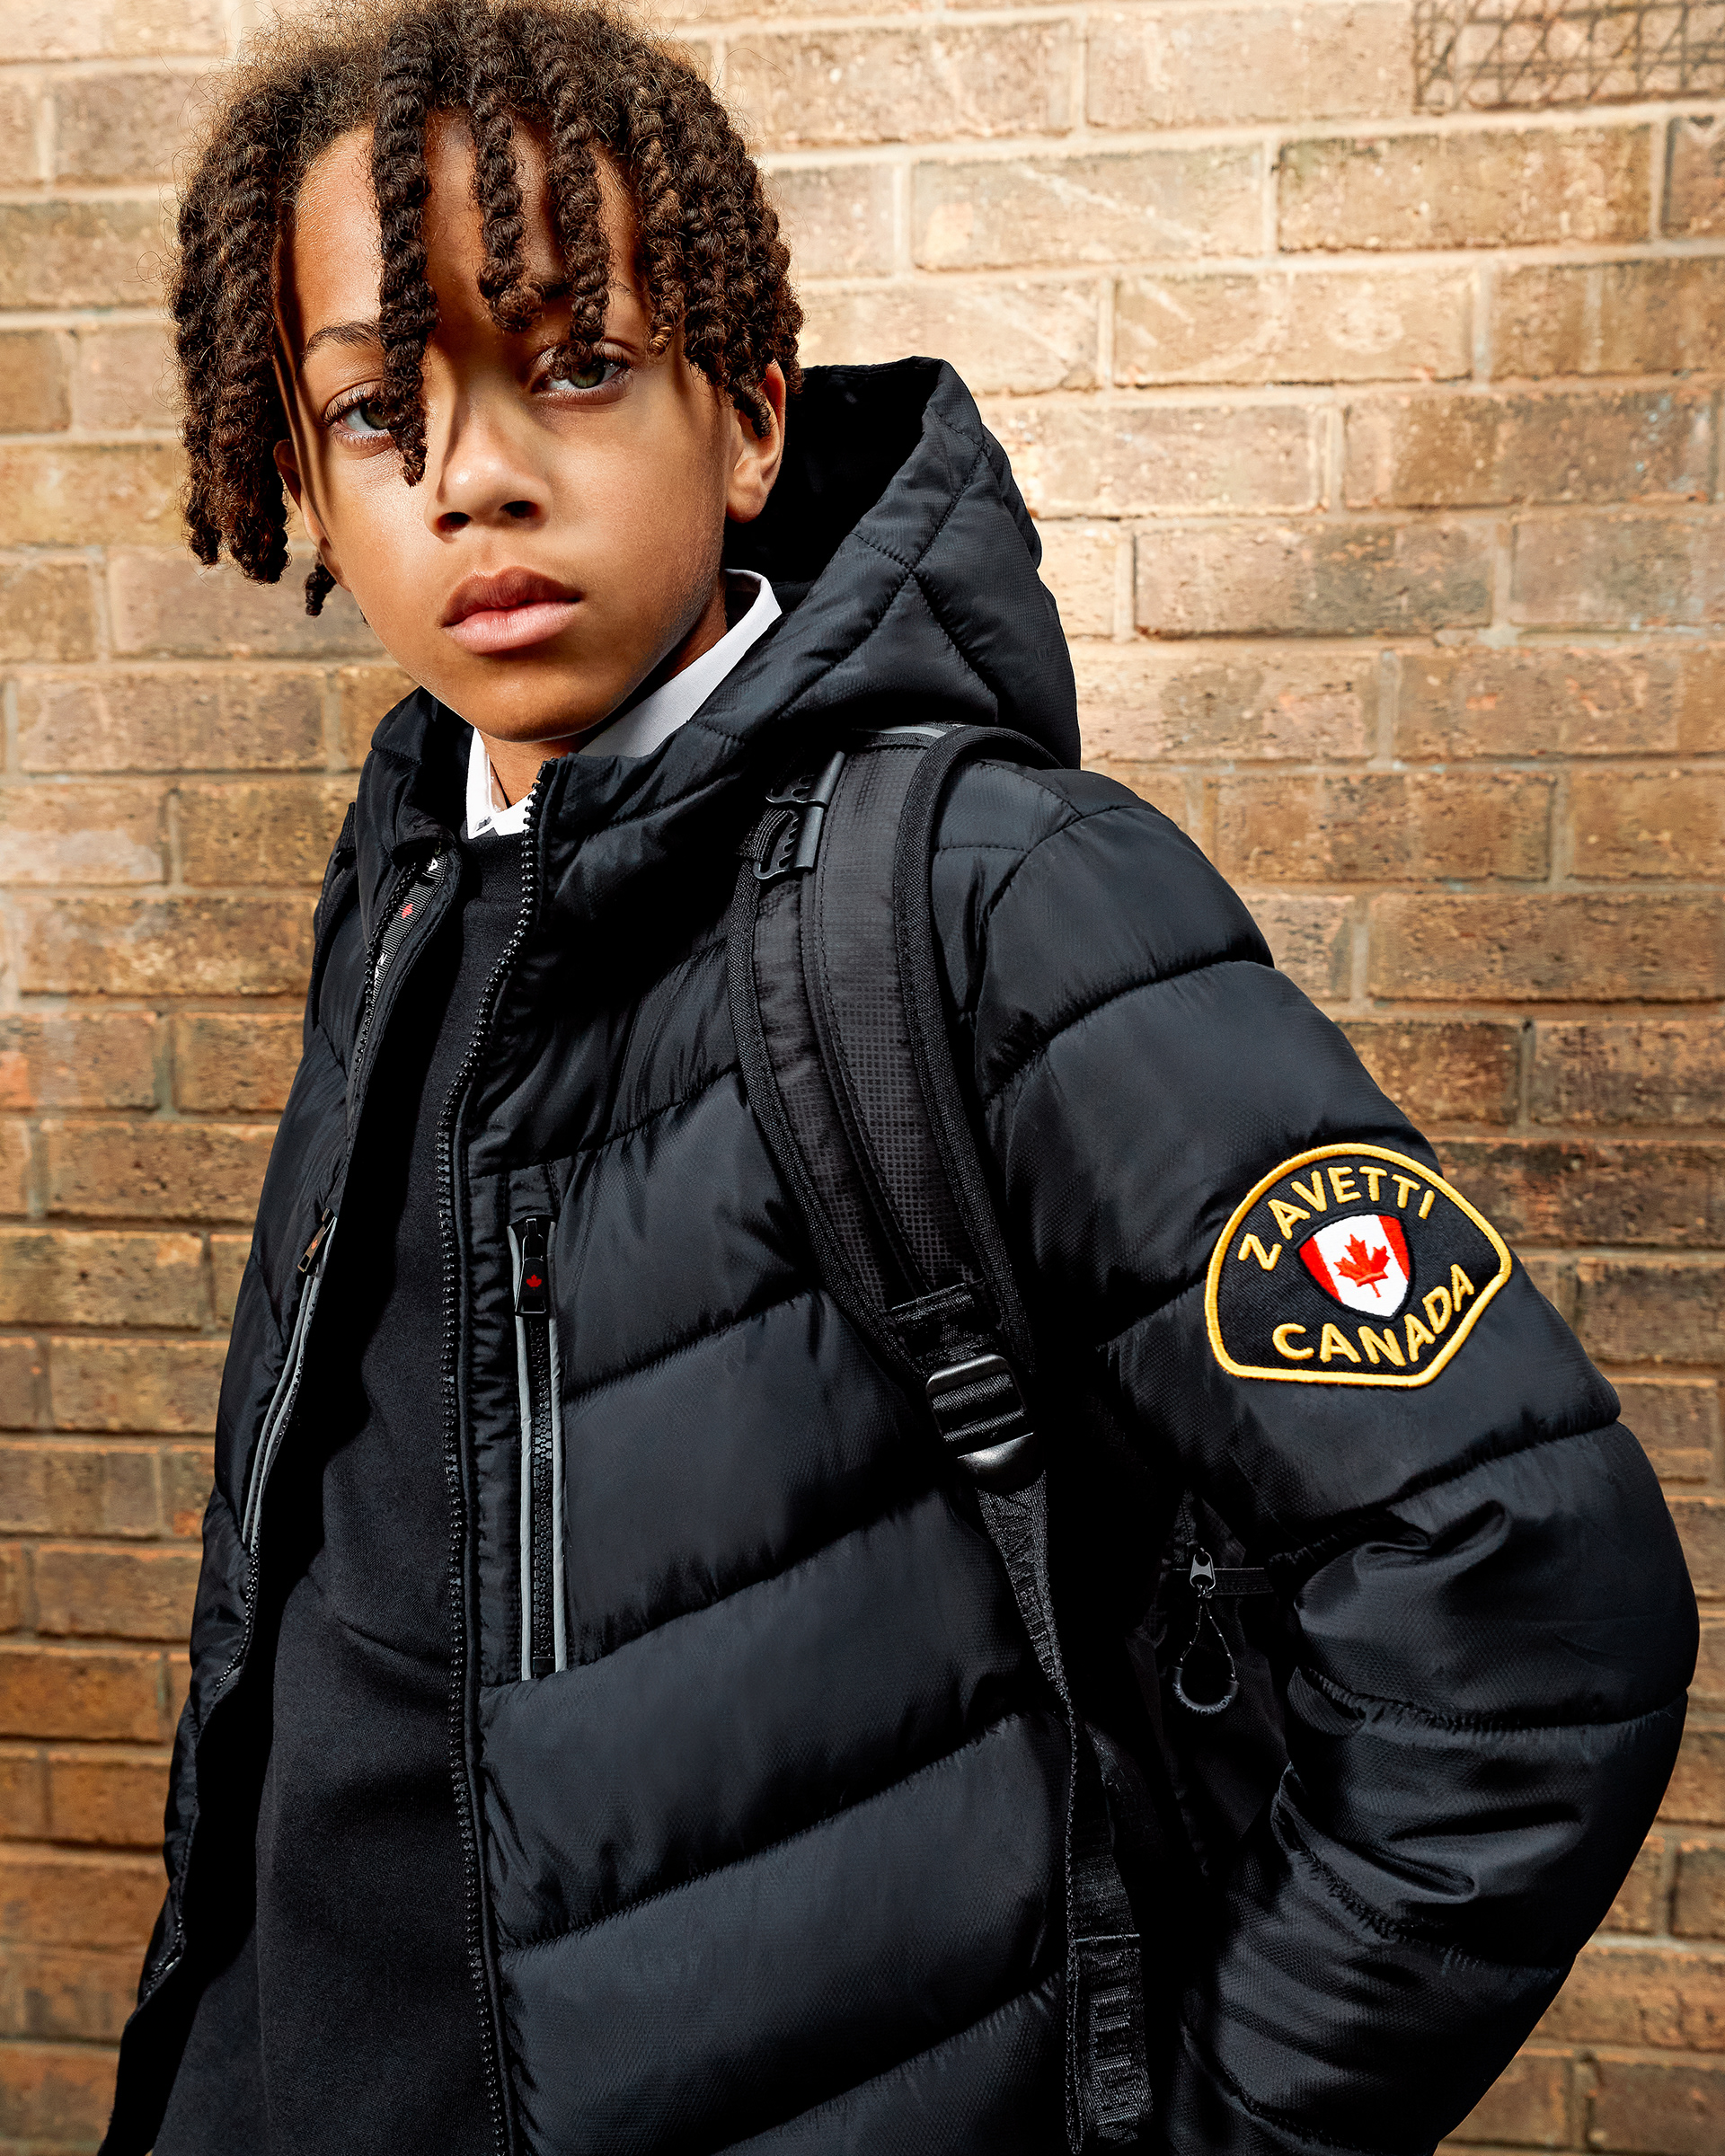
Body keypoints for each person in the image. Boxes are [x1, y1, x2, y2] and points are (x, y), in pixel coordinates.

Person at [103, 4, 1697, 2152]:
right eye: (382, 407)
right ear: (299, 475)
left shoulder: (996, 899)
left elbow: (1529, 1602)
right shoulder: (408, 875)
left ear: (750, 418)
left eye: (577, 362)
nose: (473, 472)